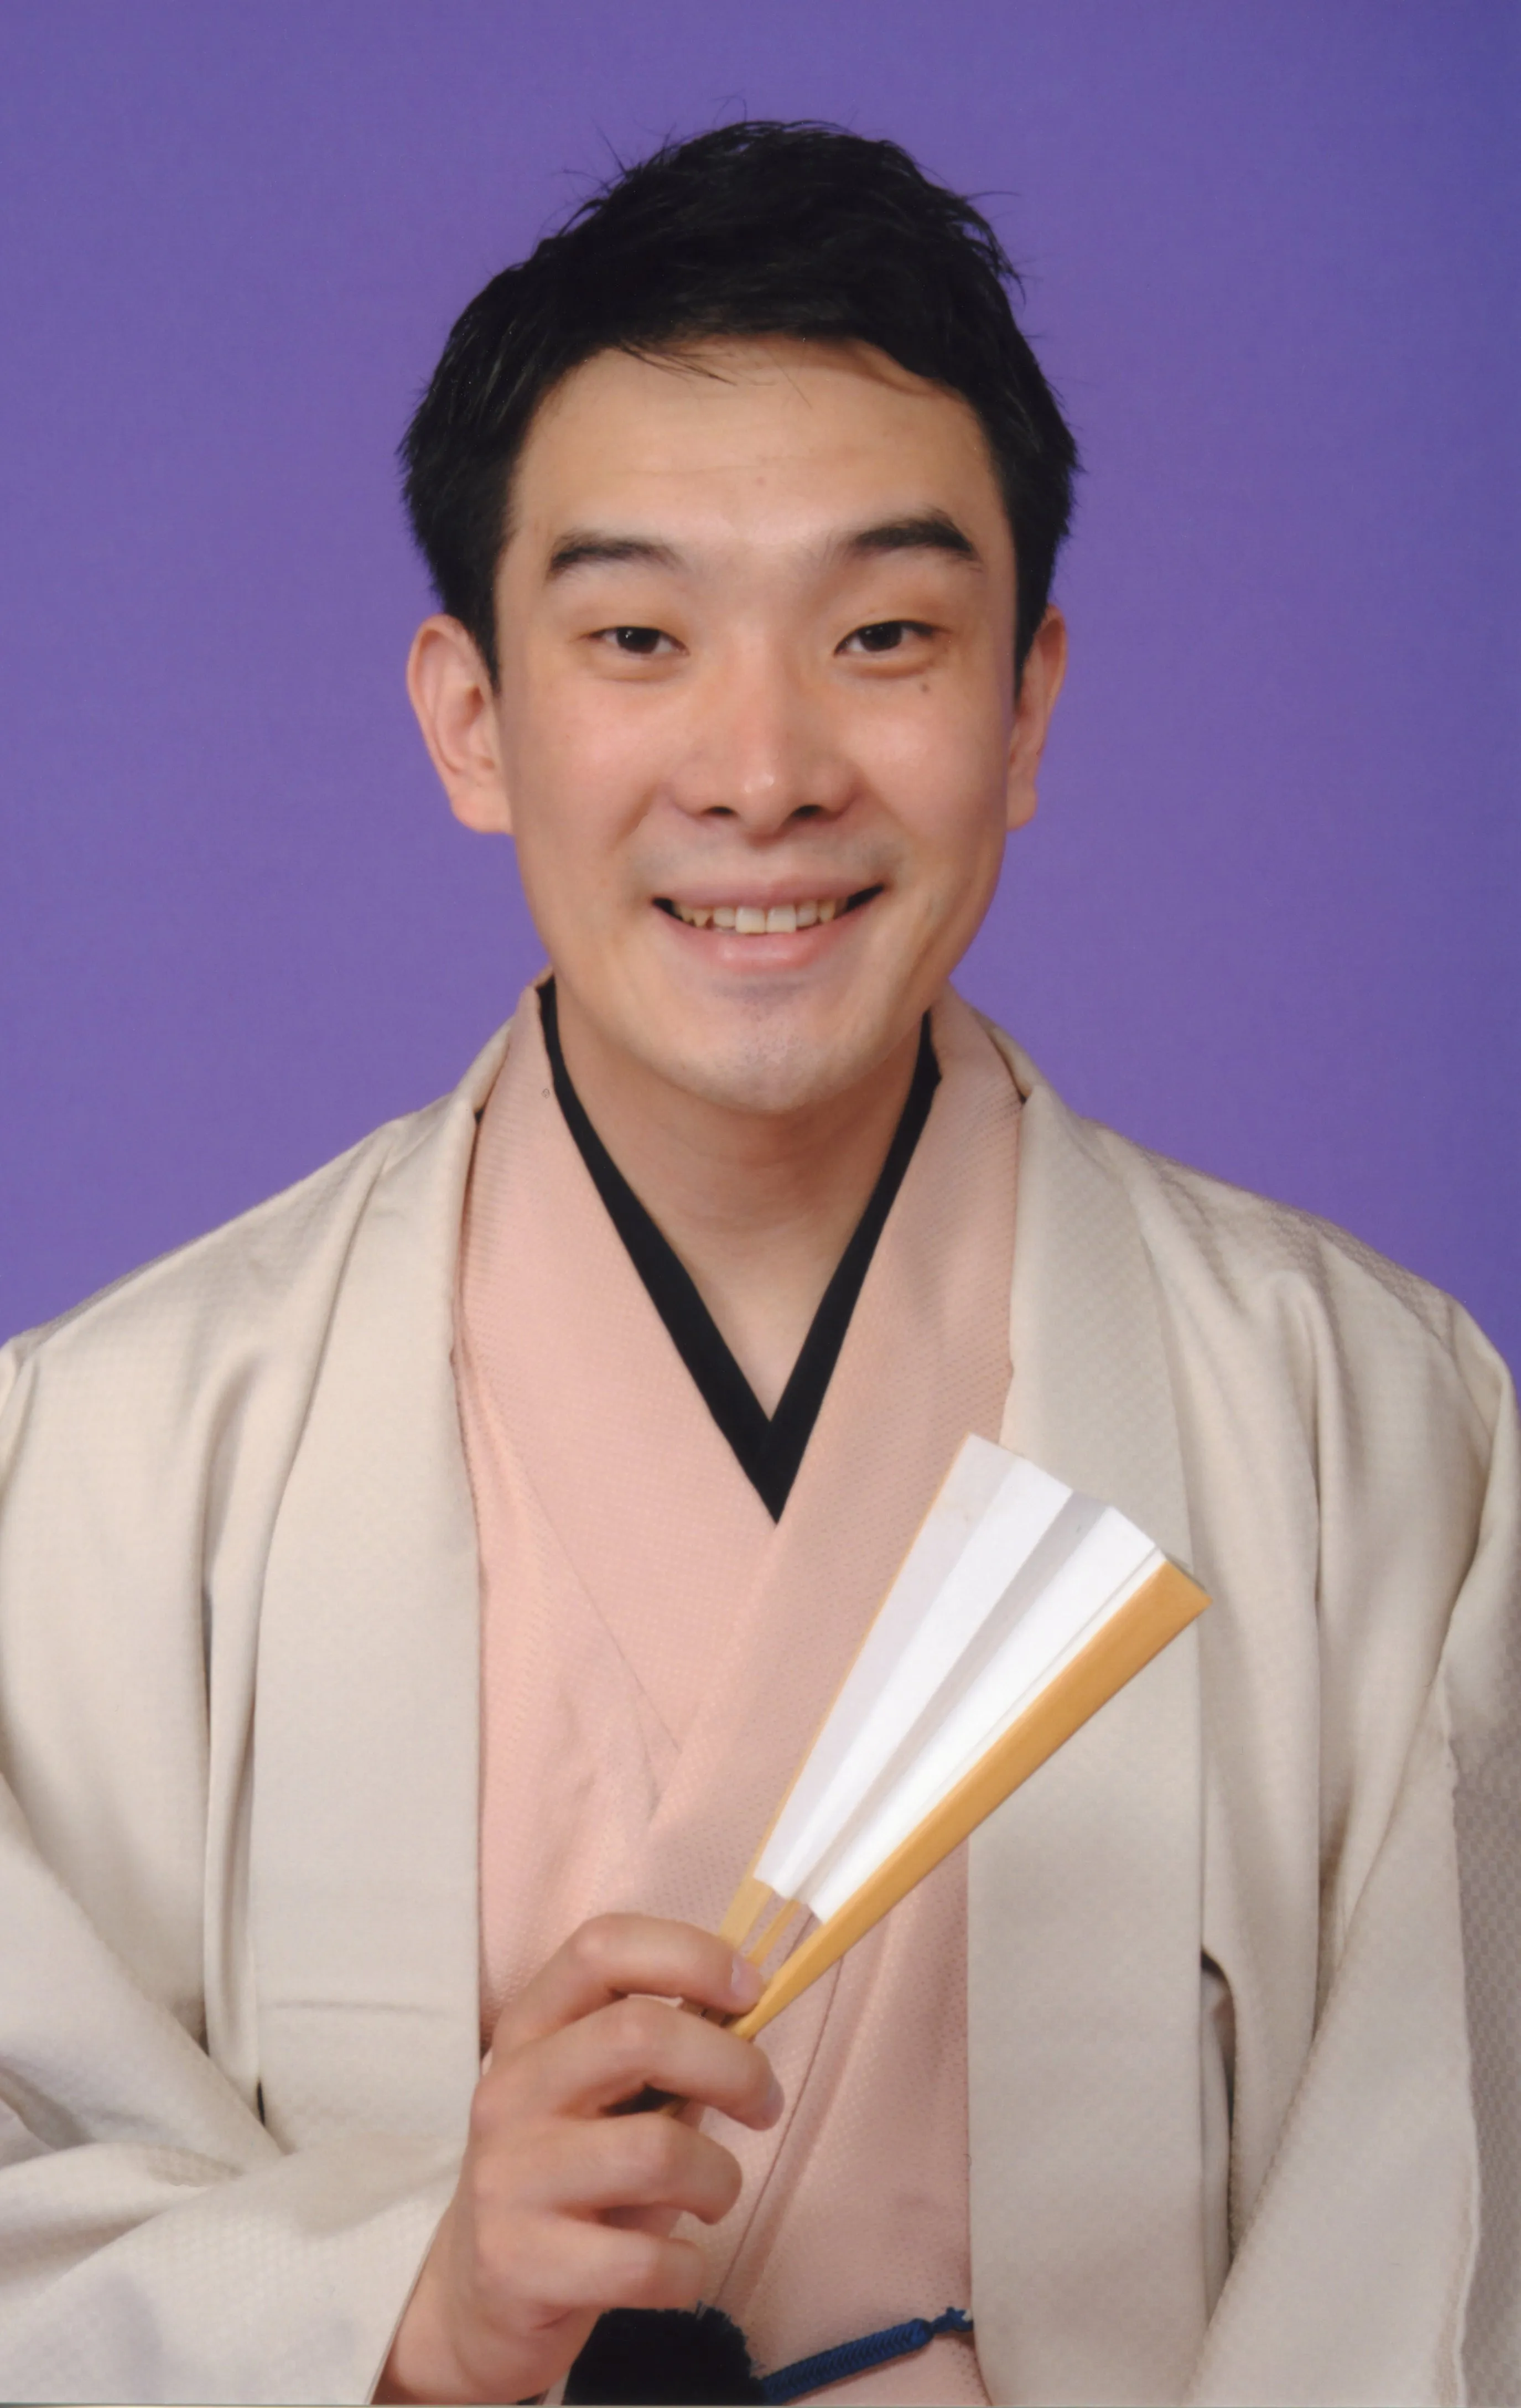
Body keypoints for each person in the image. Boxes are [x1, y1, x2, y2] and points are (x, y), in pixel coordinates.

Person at [0, 120, 1515, 2408]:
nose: (764, 765)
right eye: (637, 637)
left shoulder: (1367, 1435)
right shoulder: (114, 1467)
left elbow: (1451, 2252)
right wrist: (387, 2297)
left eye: (883, 635)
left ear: (1026, 707)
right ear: (472, 719)